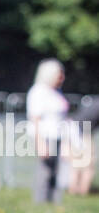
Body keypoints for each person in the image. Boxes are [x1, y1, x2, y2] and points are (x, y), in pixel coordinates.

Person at [26, 58, 69, 204]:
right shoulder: (38, 91)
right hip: (45, 136)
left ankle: (54, 202)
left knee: (56, 171)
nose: (62, 78)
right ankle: (41, 202)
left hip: (57, 135)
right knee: (45, 171)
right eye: (59, 74)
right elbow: (35, 118)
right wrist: (40, 142)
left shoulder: (56, 92)